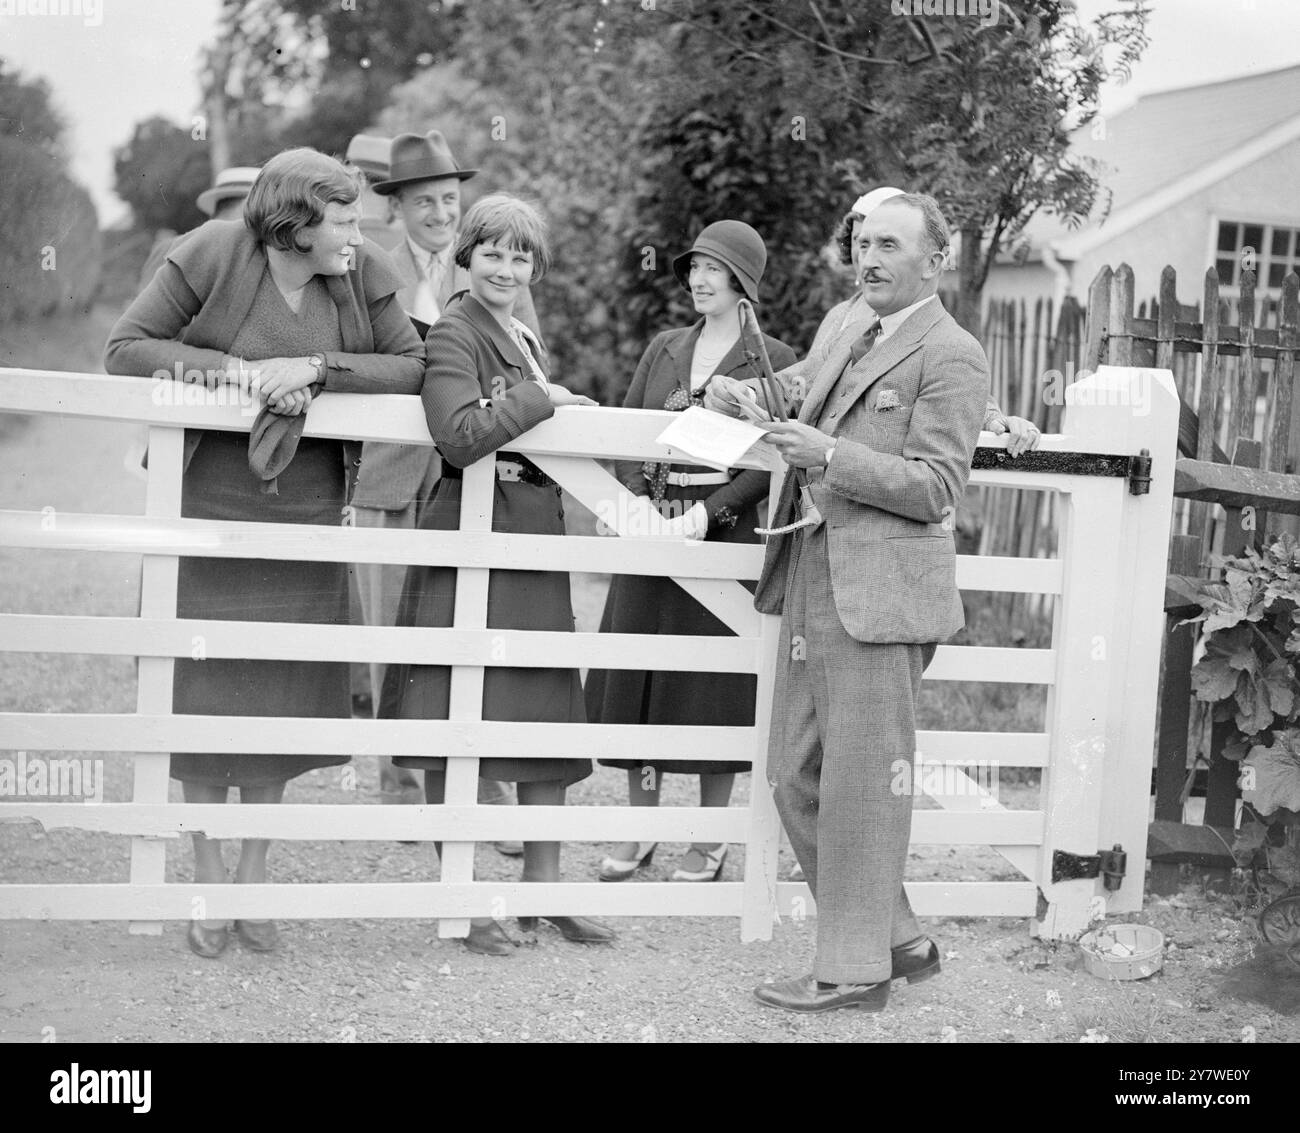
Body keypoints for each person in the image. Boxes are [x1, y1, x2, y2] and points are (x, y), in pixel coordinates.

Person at [104, 147, 425, 960]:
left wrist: (316, 367)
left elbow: (414, 365)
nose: (360, 230)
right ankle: (207, 877)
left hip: (309, 514)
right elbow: (128, 346)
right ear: (296, 225)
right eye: (344, 219)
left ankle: (252, 879)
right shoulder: (212, 250)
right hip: (204, 507)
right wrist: (244, 375)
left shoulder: (363, 270)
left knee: (280, 697)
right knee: (204, 695)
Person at [709, 193, 988, 1013]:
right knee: (792, 771)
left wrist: (829, 454)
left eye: (890, 245)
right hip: (809, 570)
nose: (868, 257)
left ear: (935, 259)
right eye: (862, 242)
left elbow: (937, 488)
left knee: (864, 781)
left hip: (883, 593)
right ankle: (895, 935)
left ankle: (852, 969)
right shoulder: (842, 322)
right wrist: (747, 401)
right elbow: (796, 391)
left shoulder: (954, 353)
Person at [379, 193, 615, 955]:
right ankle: (465, 899)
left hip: (529, 538)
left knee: (543, 711)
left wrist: (545, 396)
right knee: (462, 718)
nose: (507, 268)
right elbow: (458, 434)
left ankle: (544, 892)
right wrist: (541, 396)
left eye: (521, 256)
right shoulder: (454, 328)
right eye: (493, 252)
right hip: (474, 539)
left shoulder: (518, 330)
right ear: (466, 256)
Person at [586, 221, 797, 884]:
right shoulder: (665, 347)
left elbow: (777, 456)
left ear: (744, 282)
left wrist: (711, 513)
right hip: (654, 523)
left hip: (724, 530)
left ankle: (708, 837)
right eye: (696, 267)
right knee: (641, 680)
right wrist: (634, 509)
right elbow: (627, 428)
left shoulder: (777, 355)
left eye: (717, 269)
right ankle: (641, 829)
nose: (701, 279)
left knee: (713, 687)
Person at [352, 131, 530, 849]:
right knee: (390, 623)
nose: (439, 214)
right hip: (390, 471)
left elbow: (525, 362)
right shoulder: (368, 266)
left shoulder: (486, 266)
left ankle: (478, 781)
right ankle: (401, 782)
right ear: (394, 207)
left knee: (465, 624)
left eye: (449, 200)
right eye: (422, 201)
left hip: (469, 474)